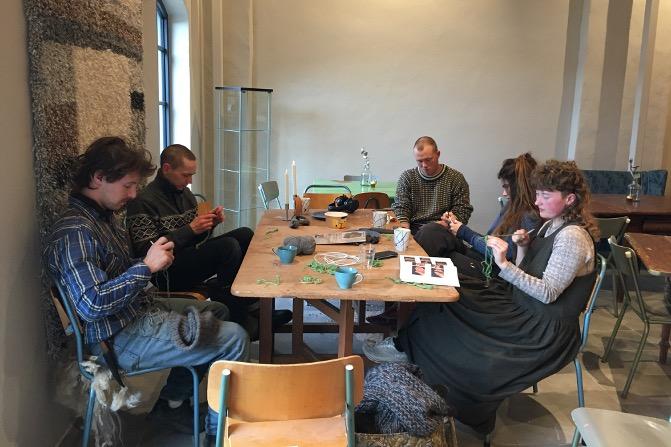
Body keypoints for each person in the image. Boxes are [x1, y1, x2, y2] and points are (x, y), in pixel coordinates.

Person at [364, 160, 599, 436]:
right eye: (537, 194)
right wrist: (523, 249)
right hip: (524, 307)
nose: (537, 201)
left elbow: (547, 293)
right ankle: (412, 354)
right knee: (448, 294)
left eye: (546, 195)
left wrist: (504, 263)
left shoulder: (573, 237)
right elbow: (529, 273)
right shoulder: (552, 225)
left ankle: (447, 386)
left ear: (570, 199)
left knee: (457, 306)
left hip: (542, 330)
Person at [46, 137, 248, 444]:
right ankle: (218, 434)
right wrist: (146, 267)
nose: (133, 194)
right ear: (98, 178)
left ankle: (172, 402)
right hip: (116, 337)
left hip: (135, 311)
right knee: (234, 337)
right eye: (128, 185)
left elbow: (117, 271)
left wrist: (151, 260)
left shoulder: (103, 219)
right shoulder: (76, 231)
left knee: (218, 310)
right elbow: (92, 304)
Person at [125, 144, 291, 333]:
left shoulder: (185, 194)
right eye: (186, 175)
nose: (190, 181)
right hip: (165, 274)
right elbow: (146, 251)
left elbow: (195, 240)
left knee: (245, 234)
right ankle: (239, 317)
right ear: (167, 169)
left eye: (192, 175)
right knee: (227, 247)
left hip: (186, 258)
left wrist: (209, 225)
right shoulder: (143, 201)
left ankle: (255, 309)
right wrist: (190, 229)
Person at [446, 152, 542, 265]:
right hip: (482, 257)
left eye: (507, 187)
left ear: (519, 187)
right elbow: (490, 240)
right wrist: (458, 227)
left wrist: (464, 232)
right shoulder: (510, 207)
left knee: (444, 250)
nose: (504, 193)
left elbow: (504, 254)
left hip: (493, 267)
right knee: (436, 232)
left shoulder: (530, 216)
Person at [393, 136, 473, 258]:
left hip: (445, 232)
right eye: (419, 161)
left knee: (430, 232)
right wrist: (404, 229)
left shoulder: (455, 178)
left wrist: (448, 221)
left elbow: (463, 210)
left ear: (438, 154)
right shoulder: (408, 177)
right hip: (414, 230)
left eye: (428, 160)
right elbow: (402, 206)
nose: (424, 165)